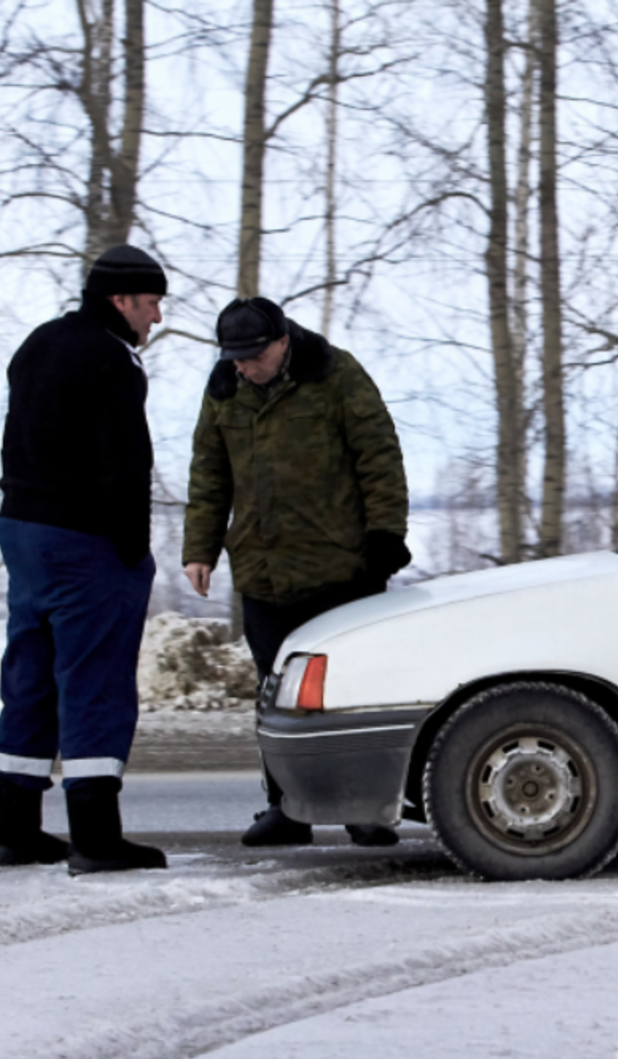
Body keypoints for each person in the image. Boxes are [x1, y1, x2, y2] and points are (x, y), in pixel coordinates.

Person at [182, 296, 411, 848]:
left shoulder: (336, 374)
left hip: (339, 568)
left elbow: (379, 456)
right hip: (262, 570)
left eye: (252, 355)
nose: (243, 366)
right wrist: (201, 548)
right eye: (235, 357)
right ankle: (286, 808)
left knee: (350, 691)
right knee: (274, 694)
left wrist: (386, 540)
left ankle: (364, 809)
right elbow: (209, 472)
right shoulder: (224, 389)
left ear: (282, 343)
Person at [0, 245, 169, 875]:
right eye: (150, 305)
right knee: (95, 680)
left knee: (30, 676)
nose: (153, 320)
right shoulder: (112, 361)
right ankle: (96, 837)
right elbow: (127, 463)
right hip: (84, 541)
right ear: (121, 300)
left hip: (21, 530)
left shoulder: (39, 343)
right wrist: (133, 546)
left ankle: (14, 830)